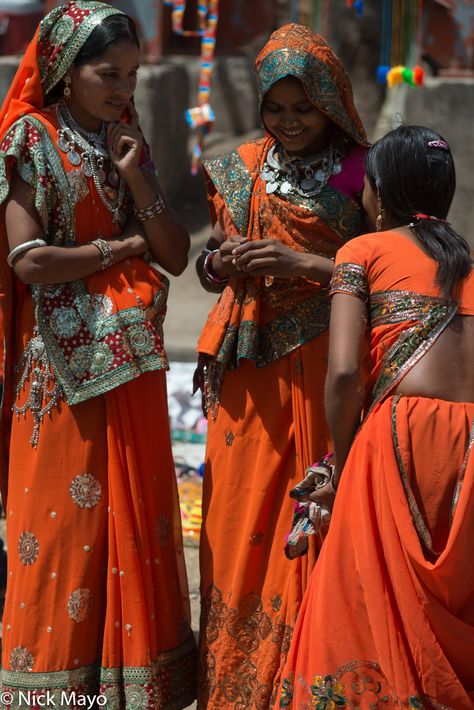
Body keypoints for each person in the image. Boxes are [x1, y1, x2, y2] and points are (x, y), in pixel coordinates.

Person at [0, 3, 197, 707]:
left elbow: (175, 255)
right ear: (64, 69)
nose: (122, 88)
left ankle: (128, 690)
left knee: (133, 520)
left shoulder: (126, 137)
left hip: (130, 371)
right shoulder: (31, 138)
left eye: (133, 75)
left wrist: (138, 176)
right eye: (106, 73)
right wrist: (119, 251)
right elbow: (29, 260)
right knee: (61, 530)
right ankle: (52, 692)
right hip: (59, 373)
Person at [194, 23, 368, 708]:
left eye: (305, 108)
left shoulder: (362, 170)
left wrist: (306, 264)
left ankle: (310, 677)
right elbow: (207, 262)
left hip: (331, 360)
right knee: (240, 518)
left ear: (331, 101)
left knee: (317, 511)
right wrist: (222, 262)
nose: (290, 123)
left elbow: (390, 269)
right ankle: (239, 683)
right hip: (248, 372)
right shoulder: (237, 165)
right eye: (277, 108)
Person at [279, 125, 474, 708]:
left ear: (380, 194)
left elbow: (342, 373)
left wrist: (344, 456)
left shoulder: (360, 251)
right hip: (469, 443)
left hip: (398, 437)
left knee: (364, 600)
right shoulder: (469, 261)